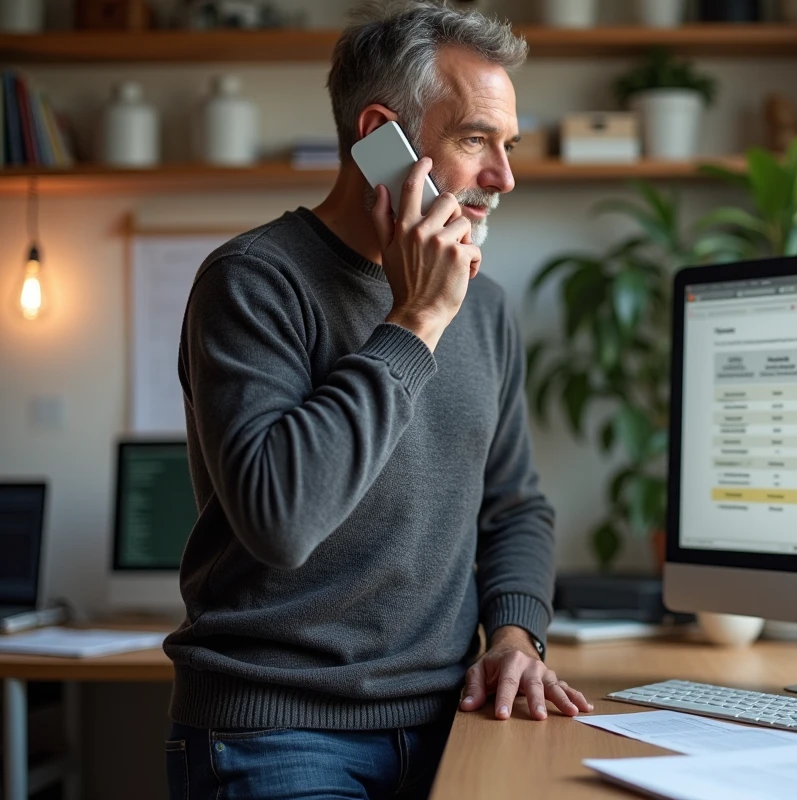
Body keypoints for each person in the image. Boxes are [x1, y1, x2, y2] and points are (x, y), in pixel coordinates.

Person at [162, 3, 590, 798]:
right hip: (276, 729)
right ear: (380, 139)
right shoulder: (253, 281)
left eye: (508, 146)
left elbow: (514, 507)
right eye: (475, 140)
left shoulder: (486, 306)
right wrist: (416, 320)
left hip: (451, 718)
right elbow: (281, 518)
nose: (504, 177)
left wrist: (516, 634)